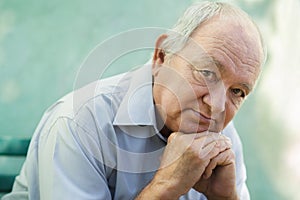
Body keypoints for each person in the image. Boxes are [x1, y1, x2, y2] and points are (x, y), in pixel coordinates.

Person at [3, 1, 265, 200]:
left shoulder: (224, 139)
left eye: (238, 92)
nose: (218, 105)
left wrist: (226, 198)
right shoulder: (79, 122)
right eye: (207, 73)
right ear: (162, 57)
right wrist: (166, 186)